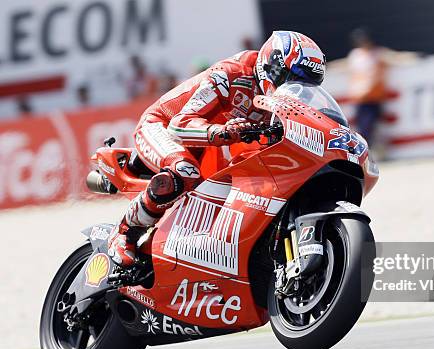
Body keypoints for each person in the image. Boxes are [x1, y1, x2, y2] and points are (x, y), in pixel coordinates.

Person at [108, 31, 326, 267]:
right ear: (271, 65)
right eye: (290, 79)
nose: (294, 89)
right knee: (185, 171)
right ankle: (124, 234)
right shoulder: (230, 74)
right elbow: (179, 125)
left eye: (305, 85)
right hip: (161, 125)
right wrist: (219, 132)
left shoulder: (285, 103)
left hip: (212, 147)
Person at [347, 28, 388, 145]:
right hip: (359, 98)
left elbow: (395, 57)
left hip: (373, 97)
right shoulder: (355, 55)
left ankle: (377, 151)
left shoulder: (378, 54)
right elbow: (344, 65)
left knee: (374, 126)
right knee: (364, 128)